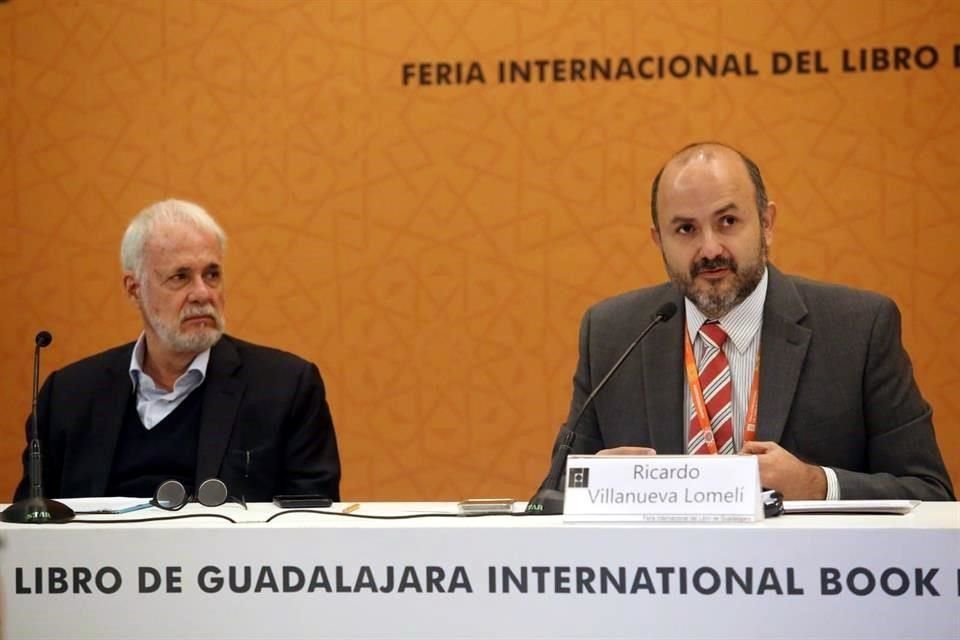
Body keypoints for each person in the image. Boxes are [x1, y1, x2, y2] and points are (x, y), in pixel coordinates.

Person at [541, 142, 954, 500]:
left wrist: (816, 485)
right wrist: (592, 484)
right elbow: (548, 500)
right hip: (659, 583)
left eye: (728, 221)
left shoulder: (857, 329)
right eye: (685, 229)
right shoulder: (613, 333)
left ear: (767, 224)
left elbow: (930, 492)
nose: (710, 248)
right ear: (658, 241)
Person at [13, 199, 341, 502]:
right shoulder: (68, 397)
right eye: (180, 277)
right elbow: (29, 533)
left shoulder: (285, 388)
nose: (202, 293)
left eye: (212, 275)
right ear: (134, 289)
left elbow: (312, 528)